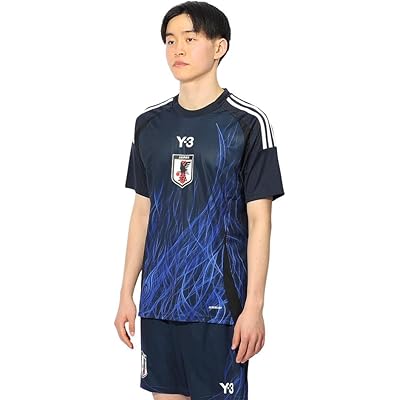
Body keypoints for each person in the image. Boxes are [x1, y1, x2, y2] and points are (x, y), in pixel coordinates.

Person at [114, 2, 285, 399]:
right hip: (158, 301)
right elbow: (142, 212)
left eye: (190, 39)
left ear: (219, 47)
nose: (178, 49)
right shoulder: (148, 124)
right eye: (170, 40)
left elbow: (260, 220)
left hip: (218, 303)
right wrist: (126, 293)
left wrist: (254, 306)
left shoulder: (247, 122)